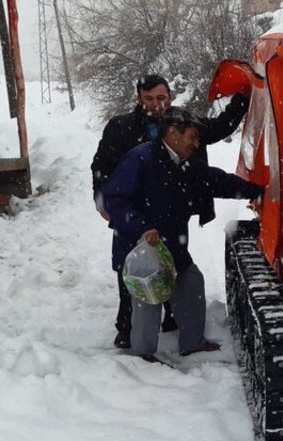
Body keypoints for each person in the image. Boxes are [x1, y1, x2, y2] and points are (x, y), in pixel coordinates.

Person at [91, 74, 250, 349]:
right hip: (134, 215)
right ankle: (128, 328)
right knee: (135, 270)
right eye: (149, 99)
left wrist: (243, 99)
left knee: (175, 262)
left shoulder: (184, 123)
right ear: (139, 98)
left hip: (174, 210)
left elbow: (220, 127)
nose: (156, 104)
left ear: (170, 96)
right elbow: (101, 165)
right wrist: (102, 198)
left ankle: (173, 318)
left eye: (161, 98)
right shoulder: (122, 127)